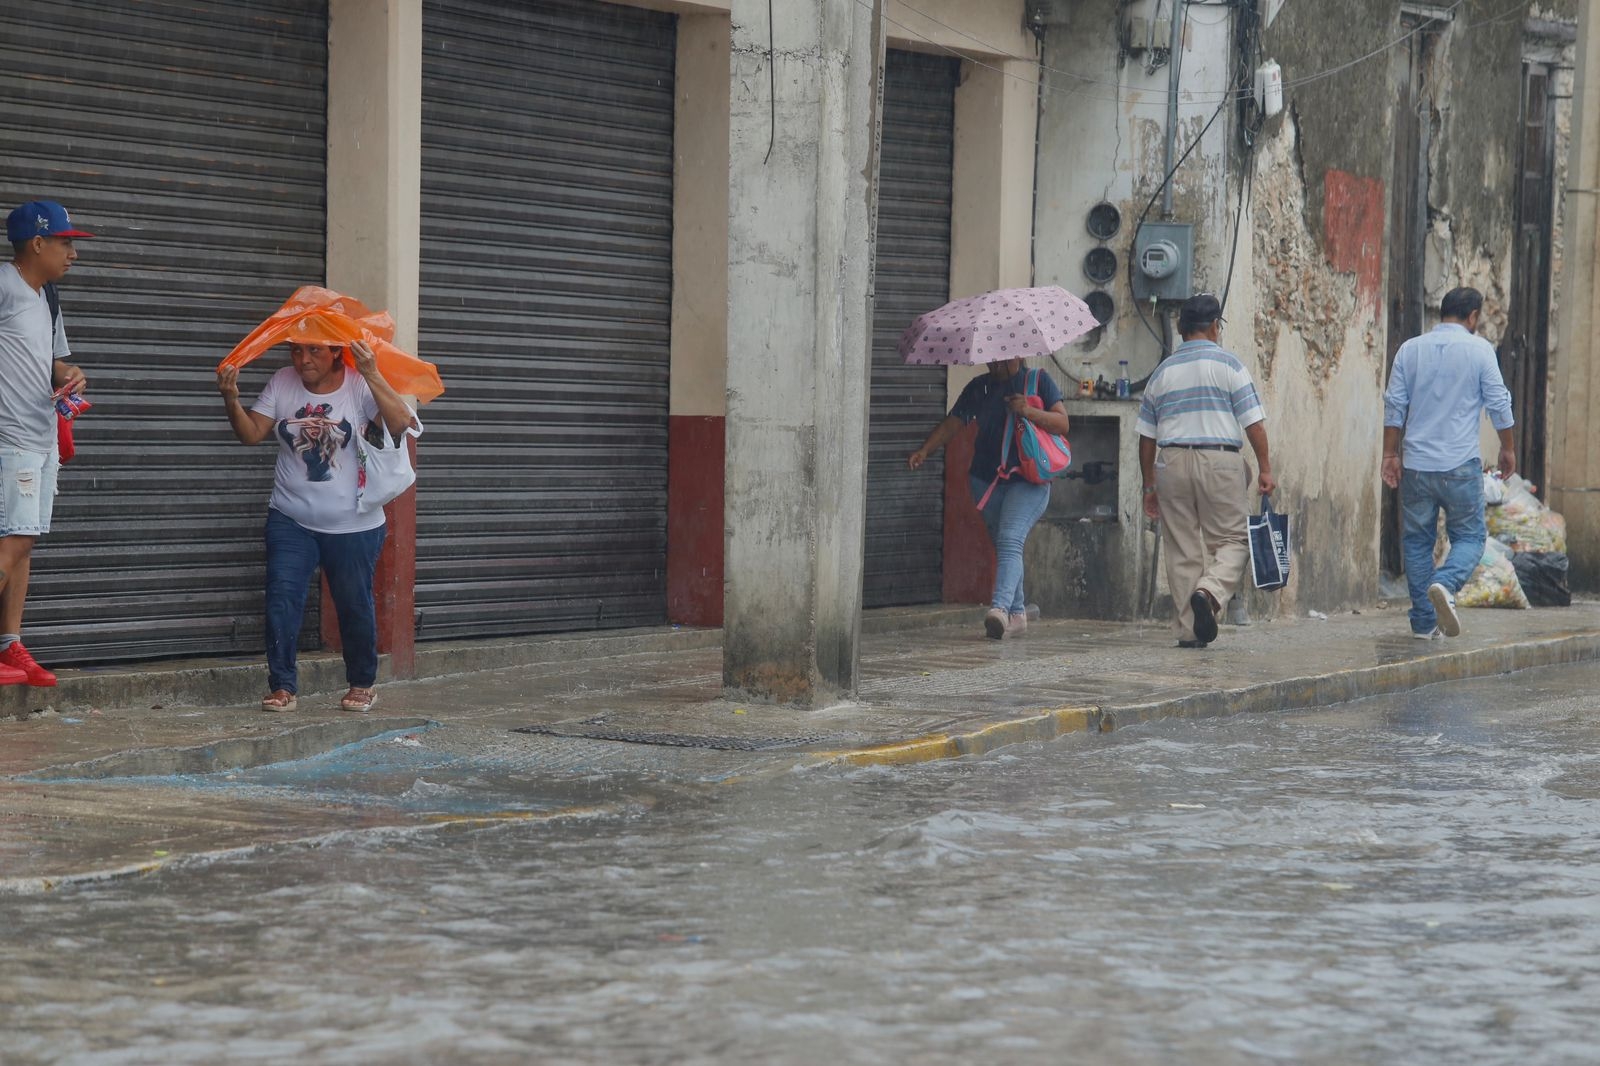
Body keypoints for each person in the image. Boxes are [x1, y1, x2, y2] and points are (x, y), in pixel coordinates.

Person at [219, 337, 417, 712]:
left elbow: (400, 422)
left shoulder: (359, 384)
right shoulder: (281, 381)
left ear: (336, 352)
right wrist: (231, 398)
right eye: (296, 350)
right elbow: (250, 434)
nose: (303, 359)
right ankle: (282, 686)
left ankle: (362, 682)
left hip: (353, 523)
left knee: (353, 604)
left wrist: (373, 372)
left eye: (315, 351)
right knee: (282, 599)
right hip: (290, 517)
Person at [1137, 293, 1275, 648]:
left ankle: (1189, 632)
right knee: (1236, 539)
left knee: (1181, 548)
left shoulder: (1161, 373)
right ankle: (1210, 592)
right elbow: (1254, 424)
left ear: (1181, 329)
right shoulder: (1229, 365)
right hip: (1219, 460)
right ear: (1215, 327)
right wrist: (1265, 468)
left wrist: (1149, 485)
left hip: (1171, 462)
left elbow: (1146, 437)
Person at [1381, 286, 1515, 640]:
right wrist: (1508, 449)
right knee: (1470, 538)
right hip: (1459, 465)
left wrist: (1390, 454)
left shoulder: (1410, 350)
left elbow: (1395, 406)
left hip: (1418, 465)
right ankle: (1445, 582)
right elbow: (1499, 404)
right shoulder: (1480, 350)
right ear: (1472, 317)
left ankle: (1425, 624)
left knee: (1416, 542)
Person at [908, 357, 1070, 639]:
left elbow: (1062, 423)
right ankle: (1018, 613)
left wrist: (1028, 410)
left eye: (1002, 361)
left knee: (1009, 539)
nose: (996, 367)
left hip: (1029, 480)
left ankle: (999, 610)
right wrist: (926, 450)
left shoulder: (1038, 381)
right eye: (991, 362)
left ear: (1018, 354)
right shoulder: (978, 387)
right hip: (986, 480)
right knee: (1005, 545)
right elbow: (954, 422)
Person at [0, 200, 92, 687]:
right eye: (65, 242)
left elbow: (53, 362)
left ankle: (10, 644)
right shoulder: (4, 284)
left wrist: (70, 375)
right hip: (9, 438)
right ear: (37, 243)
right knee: (14, 537)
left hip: (41, 438)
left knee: (25, 538)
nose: (72, 253)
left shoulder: (47, 297)